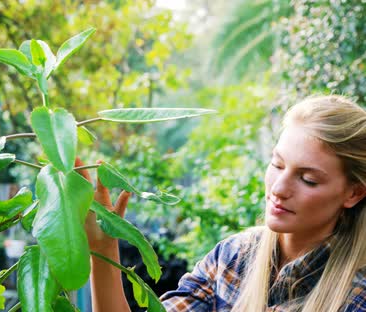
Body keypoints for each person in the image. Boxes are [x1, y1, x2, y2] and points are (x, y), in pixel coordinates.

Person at [87, 95, 366, 311]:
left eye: (308, 180)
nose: (279, 189)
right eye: (277, 164)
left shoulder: (355, 299)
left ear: (354, 193)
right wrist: (103, 248)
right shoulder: (233, 257)